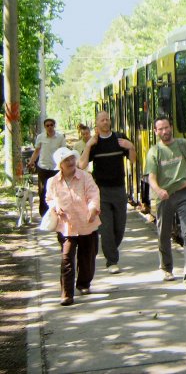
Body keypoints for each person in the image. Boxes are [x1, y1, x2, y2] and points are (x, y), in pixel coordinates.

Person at [145, 116, 186, 289]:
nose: (164, 132)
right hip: (164, 197)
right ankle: (166, 268)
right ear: (156, 132)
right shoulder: (154, 152)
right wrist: (159, 190)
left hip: (184, 194)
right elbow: (151, 177)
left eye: (166, 127)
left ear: (171, 127)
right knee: (163, 233)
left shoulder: (183, 145)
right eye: (160, 129)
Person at [78, 111, 136, 275]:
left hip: (119, 189)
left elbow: (133, 160)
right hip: (101, 191)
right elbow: (81, 165)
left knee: (120, 226)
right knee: (106, 228)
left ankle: (110, 250)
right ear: (96, 124)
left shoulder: (119, 138)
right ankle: (112, 260)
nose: (105, 122)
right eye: (102, 120)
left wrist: (131, 146)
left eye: (107, 119)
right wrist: (88, 145)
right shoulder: (94, 144)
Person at [45, 147, 100, 306]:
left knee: (87, 256)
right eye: (66, 160)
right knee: (66, 258)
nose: (70, 162)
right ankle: (66, 294)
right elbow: (49, 199)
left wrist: (92, 208)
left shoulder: (85, 177)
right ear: (60, 165)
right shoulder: (53, 181)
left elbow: (93, 194)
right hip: (66, 226)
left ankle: (83, 283)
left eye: (72, 159)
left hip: (86, 223)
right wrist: (55, 206)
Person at [28, 118, 67, 217]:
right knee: (43, 191)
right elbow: (37, 151)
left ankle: (56, 212)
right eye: (47, 125)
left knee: (57, 191)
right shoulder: (40, 137)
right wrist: (31, 161)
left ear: (54, 126)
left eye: (51, 125)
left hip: (56, 168)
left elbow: (63, 152)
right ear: (45, 127)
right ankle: (44, 214)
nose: (49, 127)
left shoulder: (60, 137)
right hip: (43, 168)